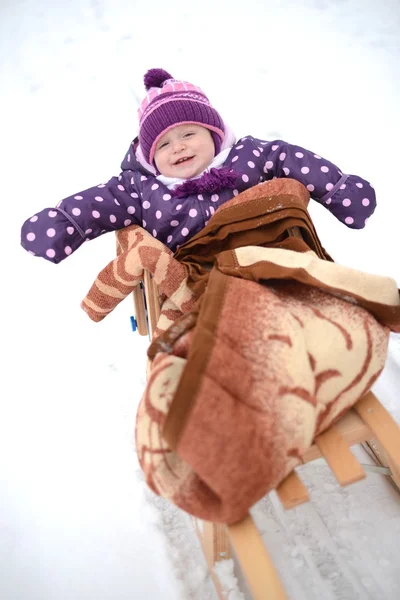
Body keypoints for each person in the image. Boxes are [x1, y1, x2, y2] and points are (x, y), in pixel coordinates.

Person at [20, 68, 376, 264]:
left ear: (214, 134)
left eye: (188, 134)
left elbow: (290, 157)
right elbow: (100, 202)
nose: (178, 148)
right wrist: (64, 223)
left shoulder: (248, 156)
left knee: (312, 271)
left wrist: (337, 189)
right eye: (163, 144)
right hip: (202, 277)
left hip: (273, 254)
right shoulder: (142, 188)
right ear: (149, 156)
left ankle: (362, 301)